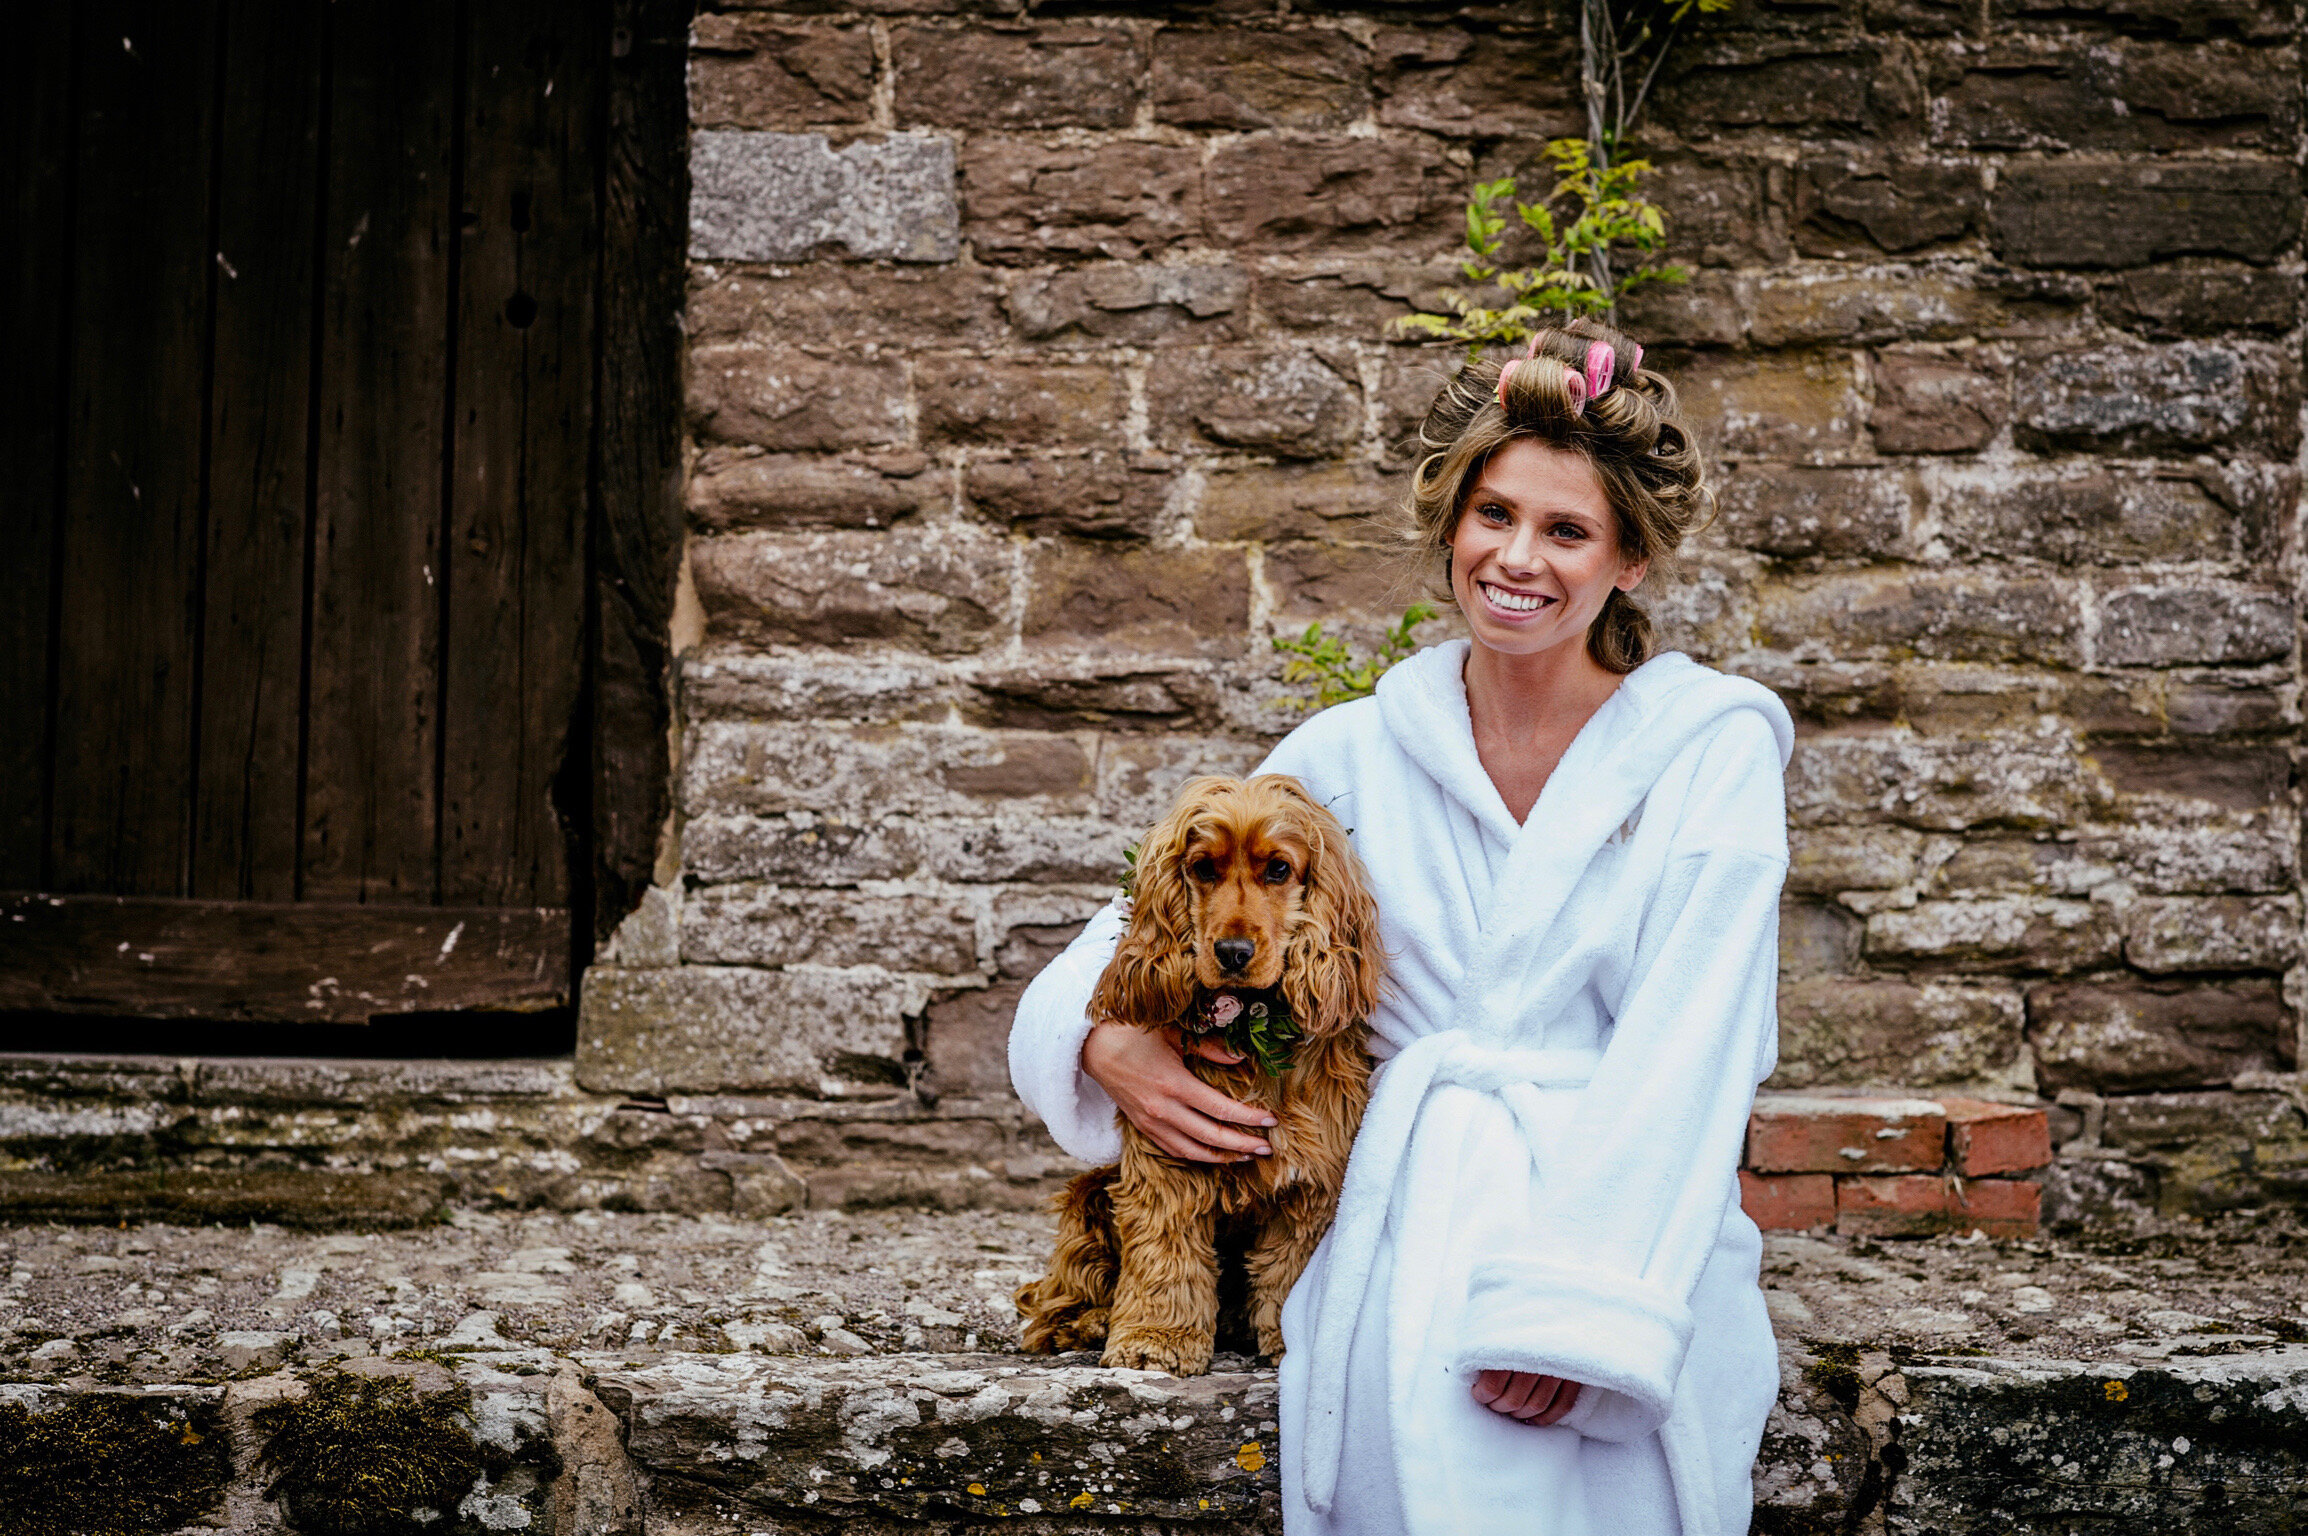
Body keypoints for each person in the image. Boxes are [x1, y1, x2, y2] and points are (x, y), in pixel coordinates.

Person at [1009, 318, 1792, 1536]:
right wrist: (1106, 1048)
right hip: (1397, 1220)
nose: (1516, 559)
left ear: (1629, 560)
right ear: (1449, 526)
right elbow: (1139, 922)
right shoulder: (1354, 751)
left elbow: (1689, 1059)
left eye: (1565, 530)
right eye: (1492, 516)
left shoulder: (1709, 754)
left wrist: (1578, 1311)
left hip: (1622, 1233)